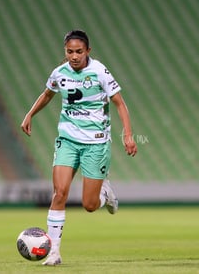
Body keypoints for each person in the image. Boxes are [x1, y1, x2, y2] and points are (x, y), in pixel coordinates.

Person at [21, 29, 137, 266]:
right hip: (68, 140)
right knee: (59, 193)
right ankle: (53, 253)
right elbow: (47, 94)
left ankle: (106, 193)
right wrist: (30, 114)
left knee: (89, 205)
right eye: (70, 52)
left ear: (88, 51)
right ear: (65, 51)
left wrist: (128, 136)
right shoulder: (59, 72)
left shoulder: (99, 72)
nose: (74, 56)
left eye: (79, 52)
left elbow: (120, 103)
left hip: (95, 142)